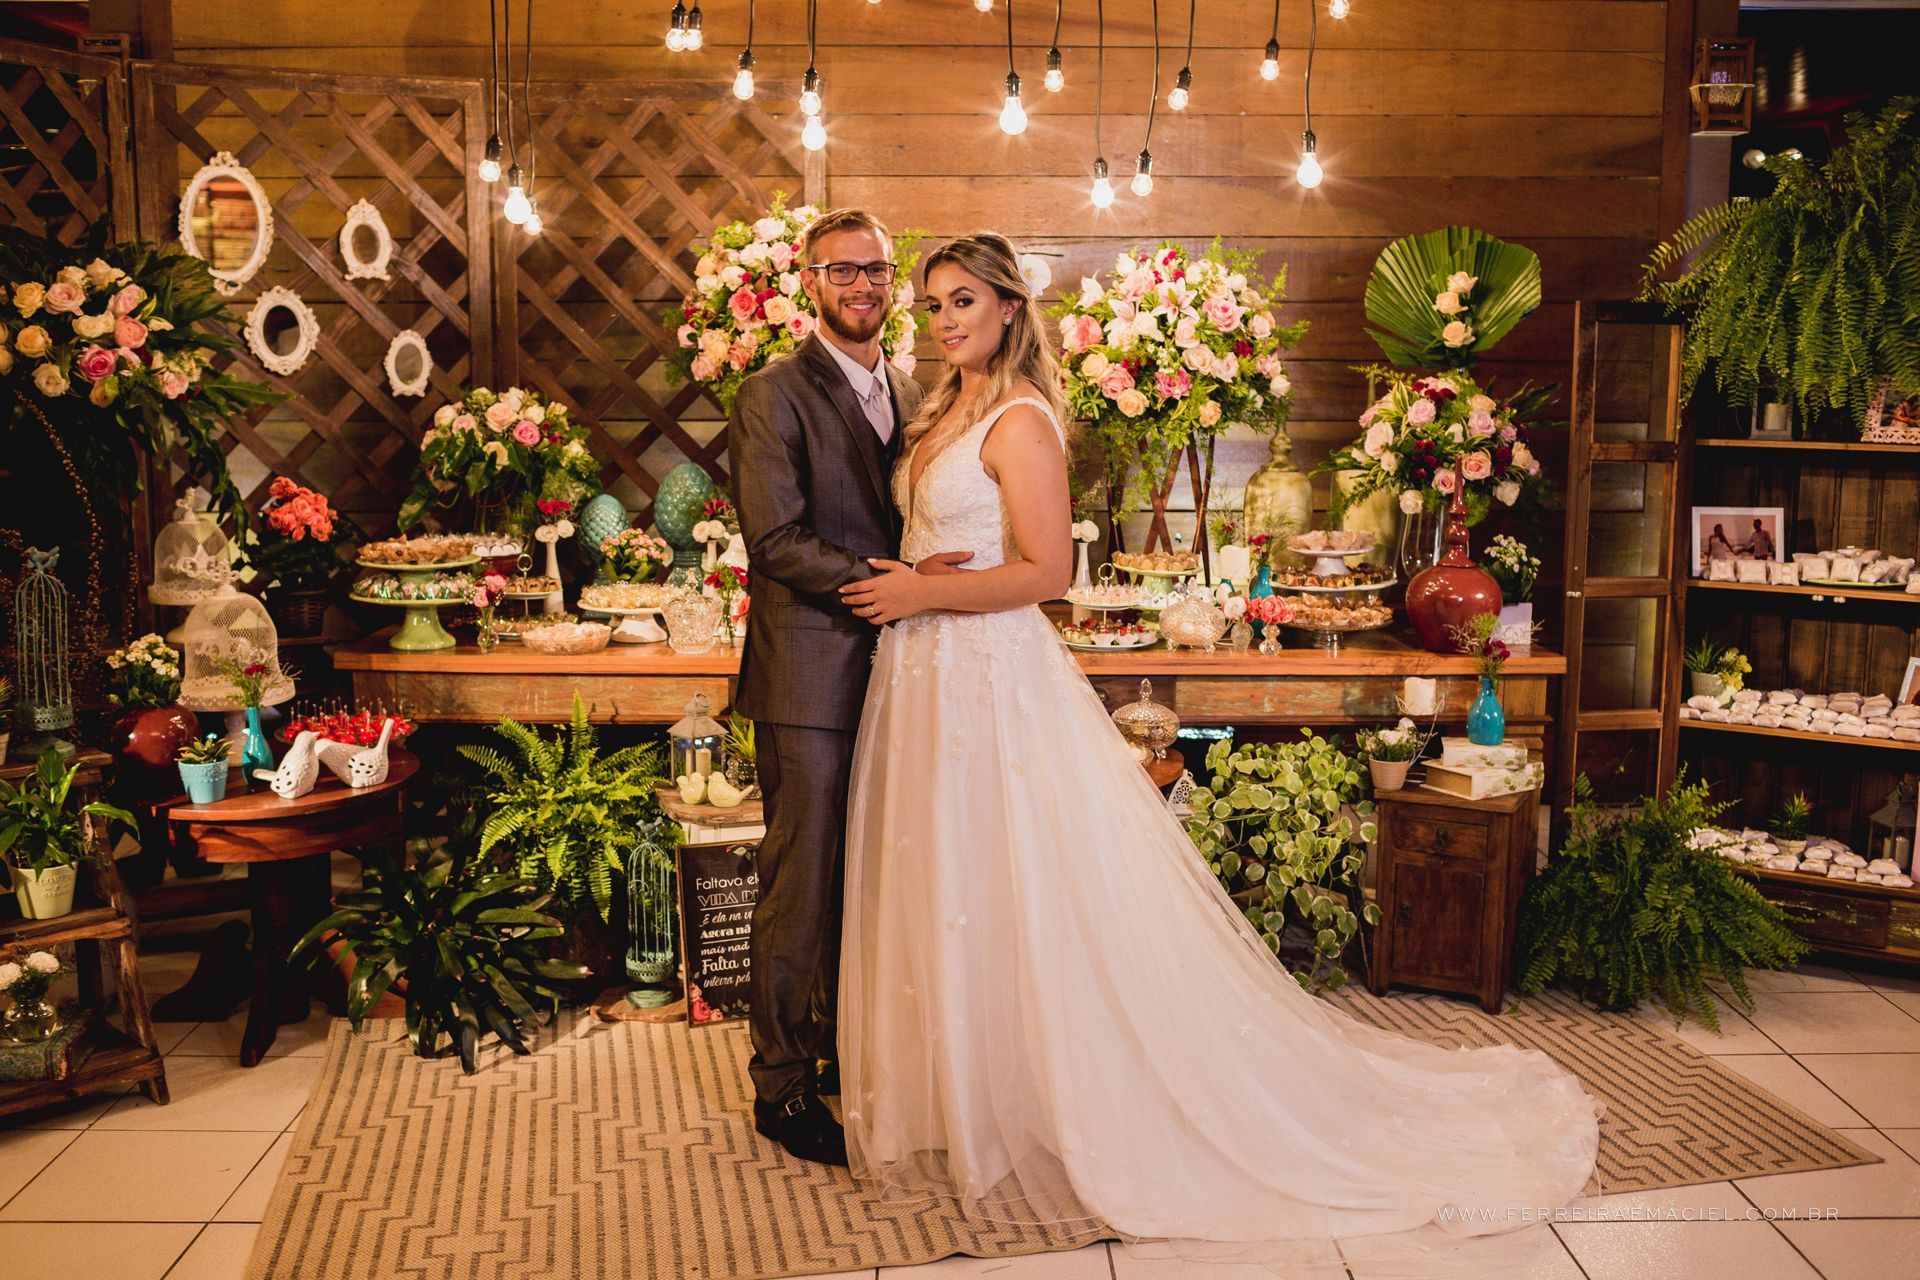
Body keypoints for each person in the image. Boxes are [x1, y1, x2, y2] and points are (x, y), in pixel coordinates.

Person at [835, 233, 1601, 1270]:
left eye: (963, 300)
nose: (944, 321)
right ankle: (971, 1091)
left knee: (1023, 883)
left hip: (987, 677)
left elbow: (1047, 573)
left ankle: (1072, 1098)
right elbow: (960, 543)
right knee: (955, 880)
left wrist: (924, 590)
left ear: (1011, 307)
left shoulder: (1019, 419)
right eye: (932, 305)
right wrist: (921, 573)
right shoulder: (943, 411)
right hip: (926, 671)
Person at [728, 208, 969, 1167]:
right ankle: (782, 1084)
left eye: (875, 270)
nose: (862, 286)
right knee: (802, 885)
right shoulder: (771, 393)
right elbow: (774, 539)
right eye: (843, 271)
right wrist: (893, 581)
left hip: (900, 672)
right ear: (810, 282)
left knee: (872, 874)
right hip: (808, 675)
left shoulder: (913, 393)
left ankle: (843, 1048)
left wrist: (932, 578)